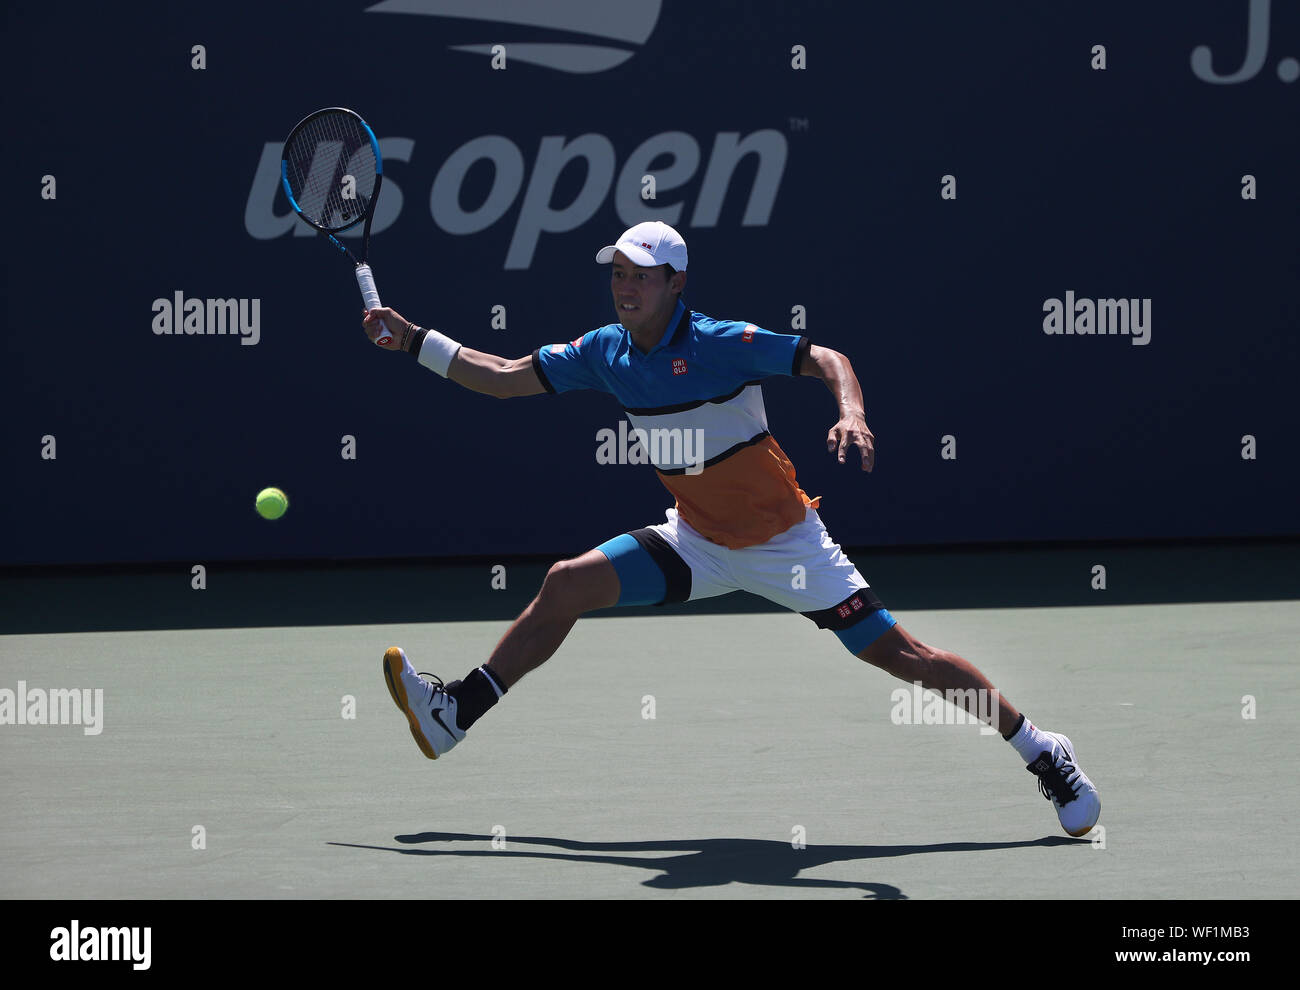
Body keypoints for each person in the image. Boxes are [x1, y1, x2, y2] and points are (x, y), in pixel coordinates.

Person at [361, 220, 1100, 837]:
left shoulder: (720, 343)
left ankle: (1042, 750)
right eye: (617, 271)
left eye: (641, 275)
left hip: (789, 548)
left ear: (676, 284)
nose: (624, 285)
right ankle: (455, 712)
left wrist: (852, 411)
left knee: (906, 657)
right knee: (564, 585)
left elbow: (825, 358)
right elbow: (498, 373)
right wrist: (413, 338)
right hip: (697, 542)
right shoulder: (602, 352)